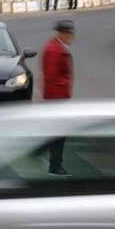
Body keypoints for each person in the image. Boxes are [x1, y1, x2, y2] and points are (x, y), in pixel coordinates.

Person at [41, 20, 75, 176]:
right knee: (59, 133)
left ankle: (49, 158)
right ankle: (55, 165)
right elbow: (52, 77)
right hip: (56, 98)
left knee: (56, 132)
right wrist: (59, 100)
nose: (71, 37)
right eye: (69, 33)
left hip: (57, 97)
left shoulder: (56, 46)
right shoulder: (54, 50)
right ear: (62, 33)